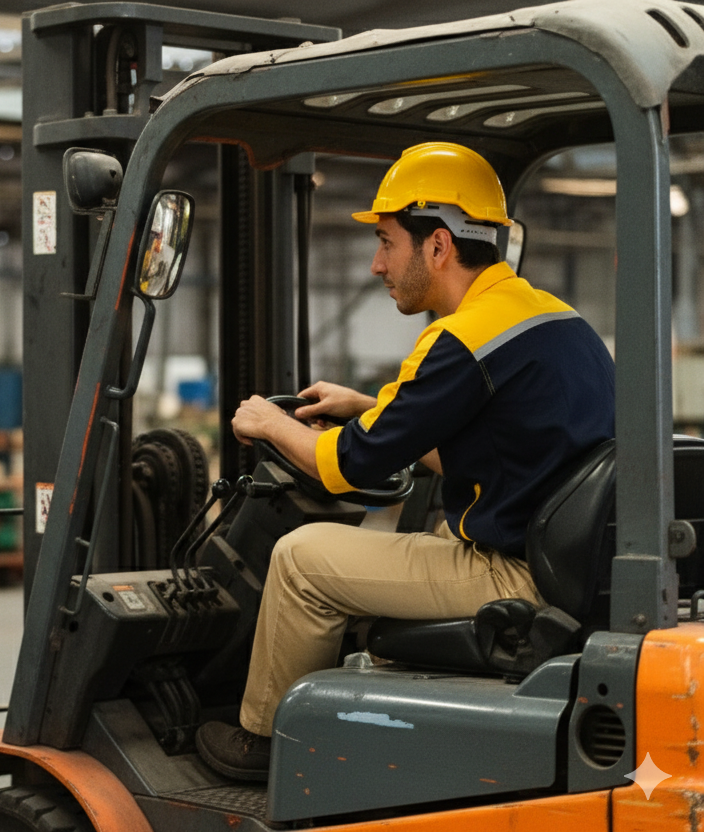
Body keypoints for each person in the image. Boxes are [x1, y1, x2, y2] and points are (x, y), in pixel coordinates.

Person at [194, 143, 616, 782]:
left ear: (439, 245)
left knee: (302, 558)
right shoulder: (555, 319)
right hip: (568, 564)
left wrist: (270, 423)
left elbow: (347, 466)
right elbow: (494, 447)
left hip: (516, 576)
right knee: (415, 534)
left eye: (388, 242)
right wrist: (367, 404)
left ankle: (264, 745)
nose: (375, 264)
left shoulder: (458, 341)